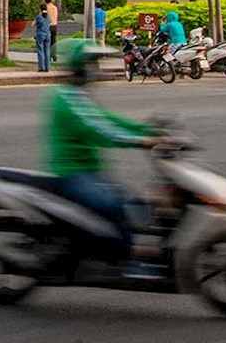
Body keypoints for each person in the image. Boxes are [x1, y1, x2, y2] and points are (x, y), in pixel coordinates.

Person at [44, 39, 165, 274]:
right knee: (115, 205)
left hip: (89, 172)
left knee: (132, 200)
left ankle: (130, 249)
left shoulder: (78, 96)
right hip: (73, 174)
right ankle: (127, 262)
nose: (94, 70)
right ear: (80, 67)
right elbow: (100, 130)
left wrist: (148, 130)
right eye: (91, 65)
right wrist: (141, 140)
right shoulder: (67, 98)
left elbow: (109, 120)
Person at [32, 0, 58, 73]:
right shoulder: (48, 17)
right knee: (47, 50)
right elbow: (50, 23)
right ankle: (47, 67)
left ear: (40, 9)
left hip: (40, 34)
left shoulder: (39, 17)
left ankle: (41, 67)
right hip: (48, 34)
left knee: (40, 50)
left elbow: (33, 24)